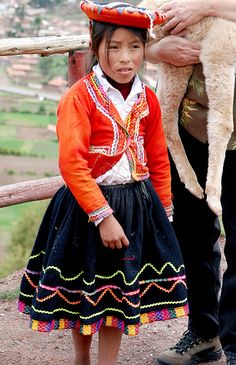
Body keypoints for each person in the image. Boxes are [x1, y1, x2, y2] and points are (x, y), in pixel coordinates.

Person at [18, 1, 188, 364]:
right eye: (114, 47)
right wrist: (102, 215)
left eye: (135, 46)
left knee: (119, 295)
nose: (125, 58)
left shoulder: (148, 100)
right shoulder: (79, 97)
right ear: (94, 47)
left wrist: (164, 213)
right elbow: (72, 163)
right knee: (85, 291)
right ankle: (82, 360)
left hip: (136, 206)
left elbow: (158, 158)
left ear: (145, 48)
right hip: (87, 209)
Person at [145, 0, 236, 364]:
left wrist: (205, 7)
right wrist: (155, 50)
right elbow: (132, 30)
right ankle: (204, 331)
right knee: (193, 234)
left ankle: (235, 345)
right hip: (189, 129)